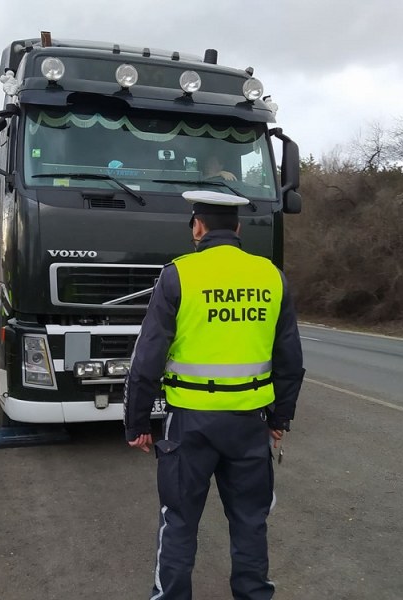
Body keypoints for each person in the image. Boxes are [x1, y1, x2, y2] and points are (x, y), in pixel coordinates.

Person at [124, 191, 305, 599]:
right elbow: (290, 359)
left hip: (190, 424)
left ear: (198, 227)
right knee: (250, 520)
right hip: (249, 423)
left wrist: (137, 423)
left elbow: (147, 358)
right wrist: (280, 420)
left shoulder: (177, 275)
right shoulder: (270, 276)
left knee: (180, 521)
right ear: (238, 228)